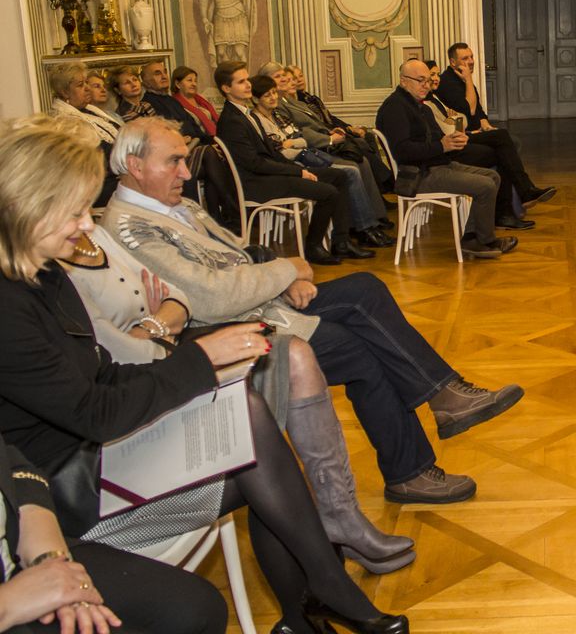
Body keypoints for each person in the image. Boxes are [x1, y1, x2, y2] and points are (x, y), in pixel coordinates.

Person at [0, 118, 409, 634]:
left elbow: (103, 374)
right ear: (28, 206)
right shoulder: (9, 306)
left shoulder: (42, 273)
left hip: (91, 453)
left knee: (249, 428)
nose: (87, 224)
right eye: (75, 211)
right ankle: (319, 596)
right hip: (63, 488)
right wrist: (202, 358)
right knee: (254, 446)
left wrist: (197, 358)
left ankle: (313, 602)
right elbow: (96, 413)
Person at [101, 117, 524, 504]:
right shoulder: (131, 226)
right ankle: (412, 466)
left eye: (183, 160)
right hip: (232, 330)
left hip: (264, 303)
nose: (186, 172)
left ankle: (442, 399)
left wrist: (288, 279)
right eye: (173, 161)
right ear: (135, 165)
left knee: (365, 289)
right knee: (362, 349)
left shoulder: (170, 204)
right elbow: (211, 298)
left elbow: (241, 254)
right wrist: (290, 269)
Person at [63, 218, 414, 574]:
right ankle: (323, 559)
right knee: (267, 405)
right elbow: (116, 354)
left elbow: (178, 296)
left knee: (300, 354)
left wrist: (155, 324)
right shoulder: (75, 256)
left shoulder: (96, 235)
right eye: (78, 206)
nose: (88, 217)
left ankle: (341, 513)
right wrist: (163, 327)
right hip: (135, 398)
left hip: (169, 353)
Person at [0, 430, 229, 634]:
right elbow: (96, 415)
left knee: (201, 610)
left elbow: (14, 468)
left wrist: (49, 559)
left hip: (16, 541)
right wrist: (10, 601)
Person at [213, 61, 373, 265]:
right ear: (226, 88)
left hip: (268, 175)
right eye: (241, 82)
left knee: (339, 176)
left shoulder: (246, 114)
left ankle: (341, 242)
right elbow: (254, 164)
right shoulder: (231, 121)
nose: (248, 85)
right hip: (256, 183)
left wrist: (298, 169)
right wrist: (297, 173)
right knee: (328, 192)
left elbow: (272, 152)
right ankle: (313, 246)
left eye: (247, 80)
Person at [376, 59, 517, 259]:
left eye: (428, 80)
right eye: (420, 80)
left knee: (493, 177)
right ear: (404, 81)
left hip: (436, 165)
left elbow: (437, 140)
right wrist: (442, 146)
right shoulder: (395, 108)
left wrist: (454, 141)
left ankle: (472, 237)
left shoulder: (421, 107)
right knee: (485, 185)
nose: (426, 85)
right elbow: (403, 151)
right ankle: (484, 241)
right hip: (418, 176)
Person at [251, 74, 394, 248]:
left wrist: (292, 143)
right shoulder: (259, 121)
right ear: (256, 99)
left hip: (307, 156)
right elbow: (280, 152)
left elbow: (299, 138)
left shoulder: (276, 116)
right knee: (350, 170)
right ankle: (361, 230)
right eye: (268, 95)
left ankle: (367, 226)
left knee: (357, 161)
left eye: (274, 93)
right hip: (295, 166)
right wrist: (294, 145)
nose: (273, 97)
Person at [438, 45, 557, 212]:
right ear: (452, 62)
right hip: (462, 137)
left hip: (476, 132)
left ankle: (513, 205)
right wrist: (469, 80)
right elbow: (469, 109)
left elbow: (479, 112)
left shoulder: (462, 80)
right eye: (465, 58)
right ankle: (521, 196)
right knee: (503, 142)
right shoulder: (447, 82)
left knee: (509, 143)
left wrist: (486, 125)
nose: (471, 61)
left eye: (471, 57)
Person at [47, 62, 122, 206]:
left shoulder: (89, 110)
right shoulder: (65, 122)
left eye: (86, 82)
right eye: (80, 85)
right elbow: (93, 162)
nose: (87, 88)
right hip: (102, 189)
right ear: (64, 92)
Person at [171, 65, 220, 137]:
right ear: (177, 84)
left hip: (216, 136)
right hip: (198, 140)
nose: (194, 84)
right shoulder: (174, 104)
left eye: (195, 81)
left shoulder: (201, 98)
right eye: (189, 80)